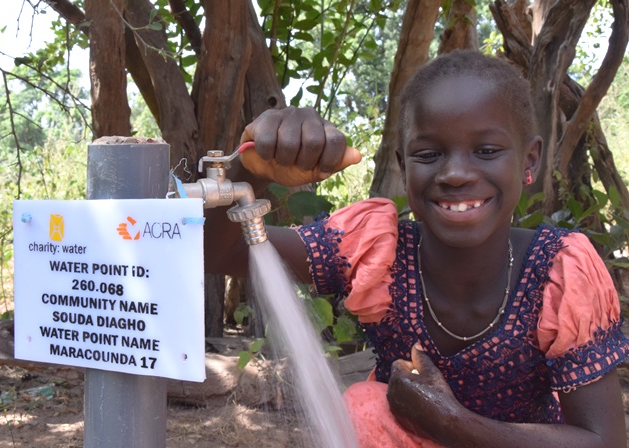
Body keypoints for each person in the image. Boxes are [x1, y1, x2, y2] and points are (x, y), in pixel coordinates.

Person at [204, 50, 629, 448]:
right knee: (365, 407)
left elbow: (604, 440)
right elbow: (218, 253)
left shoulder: (558, 270)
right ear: (403, 167)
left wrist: (451, 421)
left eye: (486, 150)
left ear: (530, 160)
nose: (456, 174)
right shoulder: (377, 253)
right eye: (429, 154)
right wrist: (248, 173)